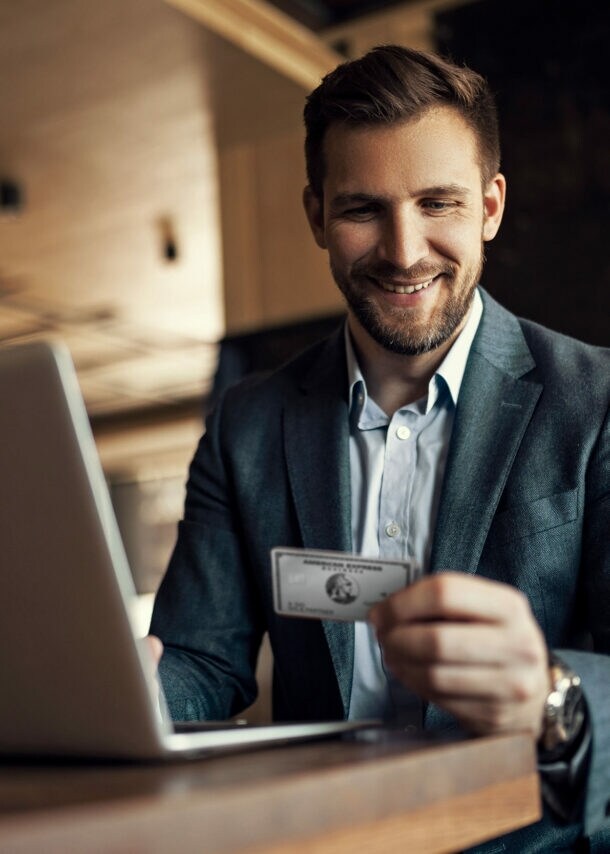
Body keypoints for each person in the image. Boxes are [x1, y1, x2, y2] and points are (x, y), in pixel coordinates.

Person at [149, 46, 609, 851]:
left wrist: (551, 694)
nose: (403, 251)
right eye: (363, 209)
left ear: (490, 206)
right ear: (316, 215)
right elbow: (200, 661)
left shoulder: (598, 402)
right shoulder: (245, 426)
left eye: (438, 203)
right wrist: (130, 688)